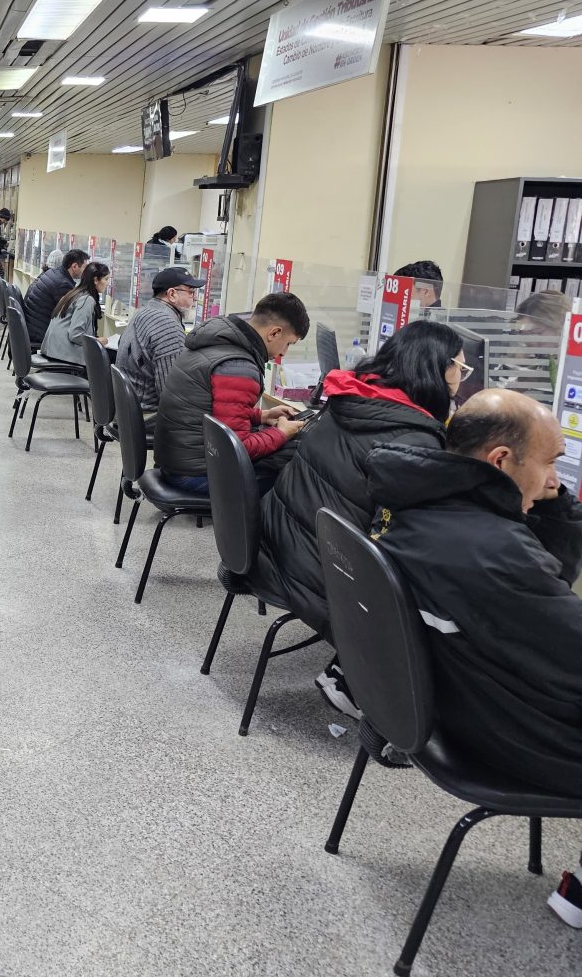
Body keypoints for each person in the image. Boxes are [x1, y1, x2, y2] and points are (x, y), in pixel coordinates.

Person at [365, 393, 582, 900]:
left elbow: (542, 606)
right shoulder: (496, 553)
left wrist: (552, 510)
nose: (554, 482)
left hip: (443, 708)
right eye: (550, 463)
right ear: (500, 460)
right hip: (510, 732)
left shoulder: (410, 504)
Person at [253, 321, 464, 717]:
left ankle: (350, 671)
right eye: (460, 369)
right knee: (444, 583)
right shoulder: (412, 437)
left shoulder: (350, 400)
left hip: (277, 546)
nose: (461, 381)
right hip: (320, 576)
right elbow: (403, 540)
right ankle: (366, 684)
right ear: (437, 368)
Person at [154, 292, 312, 495]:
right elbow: (237, 448)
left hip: (179, 461)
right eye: (288, 343)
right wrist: (281, 433)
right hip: (196, 474)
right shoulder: (239, 367)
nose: (284, 352)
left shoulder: (216, 342)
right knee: (295, 471)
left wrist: (262, 416)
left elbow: (208, 408)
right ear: (274, 333)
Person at [119, 266, 205, 423]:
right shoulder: (168, 326)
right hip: (146, 416)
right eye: (191, 292)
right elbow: (170, 394)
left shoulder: (143, 313)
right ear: (172, 294)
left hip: (128, 409)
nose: (194, 299)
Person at [40, 261, 109, 370]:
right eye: (106, 279)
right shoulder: (87, 300)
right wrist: (96, 341)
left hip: (53, 350)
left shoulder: (75, 293)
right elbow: (75, 335)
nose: (107, 283)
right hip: (63, 355)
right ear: (96, 280)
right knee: (108, 359)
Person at [24, 248, 90, 345]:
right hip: (40, 334)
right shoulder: (63, 285)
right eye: (84, 267)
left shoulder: (54, 273)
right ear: (74, 266)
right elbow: (69, 318)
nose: (85, 272)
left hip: (32, 327)